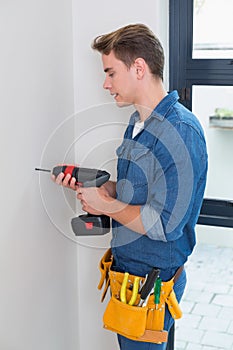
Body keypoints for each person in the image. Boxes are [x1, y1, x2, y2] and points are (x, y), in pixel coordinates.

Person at [53, 24, 208, 350]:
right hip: (128, 277)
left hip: (150, 284)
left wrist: (105, 205)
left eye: (111, 73)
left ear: (139, 67)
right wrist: (100, 188)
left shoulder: (180, 131)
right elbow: (134, 193)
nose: (105, 83)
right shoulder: (136, 123)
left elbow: (165, 224)